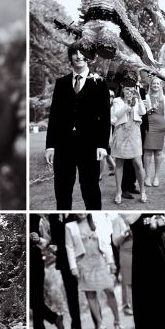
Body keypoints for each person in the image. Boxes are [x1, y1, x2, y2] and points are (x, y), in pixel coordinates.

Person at [45, 43, 111, 210]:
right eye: (75, 53)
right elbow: (54, 116)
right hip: (63, 145)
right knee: (62, 190)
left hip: (89, 145)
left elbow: (105, 117)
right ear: (70, 57)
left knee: (90, 189)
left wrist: (102, 145)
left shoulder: (100, 82)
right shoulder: (61, 83)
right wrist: (50, 146)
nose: (79, 56)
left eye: (83, 53)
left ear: (89, 57)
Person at [65, 214, 125, 329]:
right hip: (83, 262)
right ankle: (100, 323)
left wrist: (111, 262)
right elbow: (69, 247)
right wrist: (73, 267)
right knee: (90, 294)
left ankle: (117, 321)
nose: (81, 213)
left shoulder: (96, 224)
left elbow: (105, 243)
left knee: (110, 290)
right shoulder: (70, 226)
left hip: (99, 260)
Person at [110, 85, 148, 204]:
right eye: (127, 89)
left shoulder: (137, 100)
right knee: (119, 163)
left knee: (138, 162)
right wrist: (127, 104)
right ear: (122, 90)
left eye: (132, 89)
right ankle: (119, 192)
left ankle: (143, 191)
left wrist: (139, 99)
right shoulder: (117, 100)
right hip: (120, 131)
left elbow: (143, 112)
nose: (129, 91)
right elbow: (116, 115)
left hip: (134, 131)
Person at [29, 215, 64, 329]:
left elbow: (48, 240)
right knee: (31, 300)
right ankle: (55, 318)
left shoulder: (35, 218)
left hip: (35, 259)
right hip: (22, 260)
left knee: (37, 296)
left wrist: (38, 239)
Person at [47, 214, 82, 329]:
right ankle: (76, 325)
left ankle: (98, 321)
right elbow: (54, 240)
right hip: (64, 260)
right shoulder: (53, 217)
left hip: (80, 257)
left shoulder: (76, 215)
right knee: (71, 293)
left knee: (89, 289)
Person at [143, 76, 165, 187]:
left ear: (161, 85)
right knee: (148, 152)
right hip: (150, 126)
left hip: (160, 127)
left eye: (158, 84)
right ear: (151, 85)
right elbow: (143, 112)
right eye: (154, 84)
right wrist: (152, 108)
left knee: (158, 152)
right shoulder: (147, 97)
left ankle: (156, 176)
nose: (156, 86)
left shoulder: (164, 98)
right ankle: (147, 176)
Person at [111, 214, 134, 315]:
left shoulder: (136, 216)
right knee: (130, 284)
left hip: (140, 249)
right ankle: (134, 310)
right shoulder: (117, 220)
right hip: (126, 253)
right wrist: (124, 234)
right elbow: (115, 242)